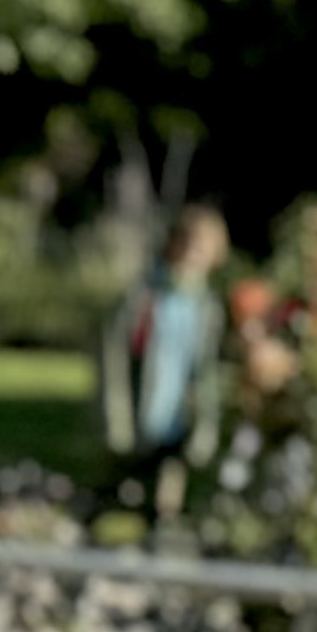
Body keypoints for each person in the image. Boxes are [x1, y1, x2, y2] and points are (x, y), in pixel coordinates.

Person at [101, 202, 233, 513]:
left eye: (201, 247)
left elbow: (208, 370)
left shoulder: (208, 307)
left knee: (166, 503)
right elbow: (115, 356)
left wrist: (205, 422)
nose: (192, 253)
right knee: (122, 498)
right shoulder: (145, 295)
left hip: (179, 417)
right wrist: (114, 415)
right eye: (186, 243)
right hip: (139, 411)